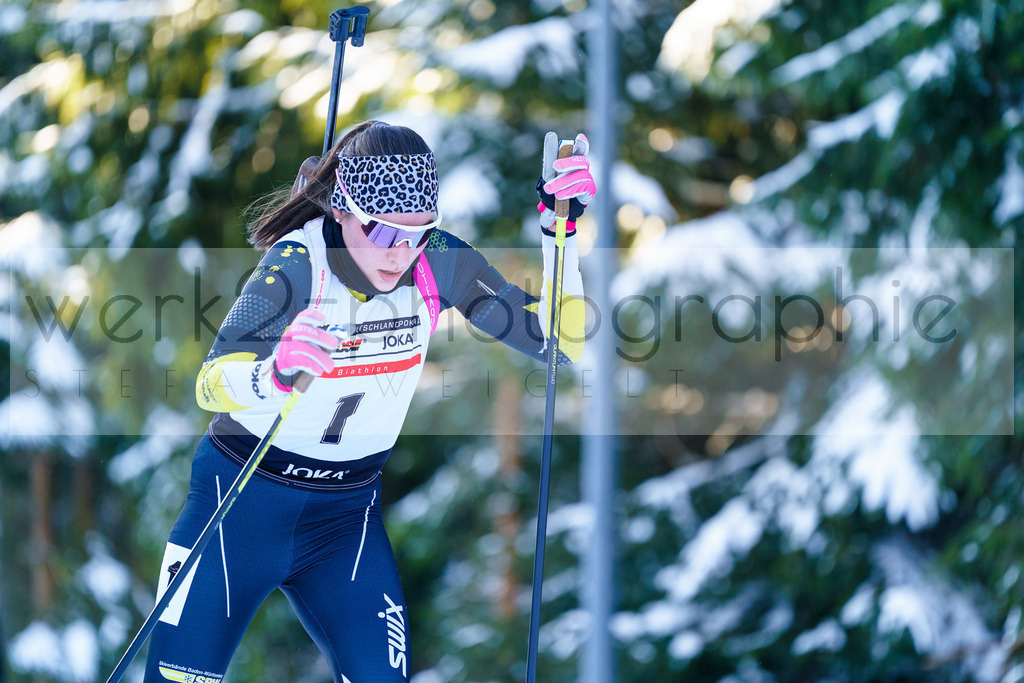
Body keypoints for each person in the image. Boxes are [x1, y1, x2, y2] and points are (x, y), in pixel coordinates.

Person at [144, 120, 595, 682]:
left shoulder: (440, 262)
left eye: (419, 233)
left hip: (345, 519)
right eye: (382, 233)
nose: (400, 253)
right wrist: (276, 374)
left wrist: (562, 233)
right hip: (238, 504)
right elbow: (211, 380)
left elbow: (556, 341)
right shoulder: (298, 264)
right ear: (341, 209)